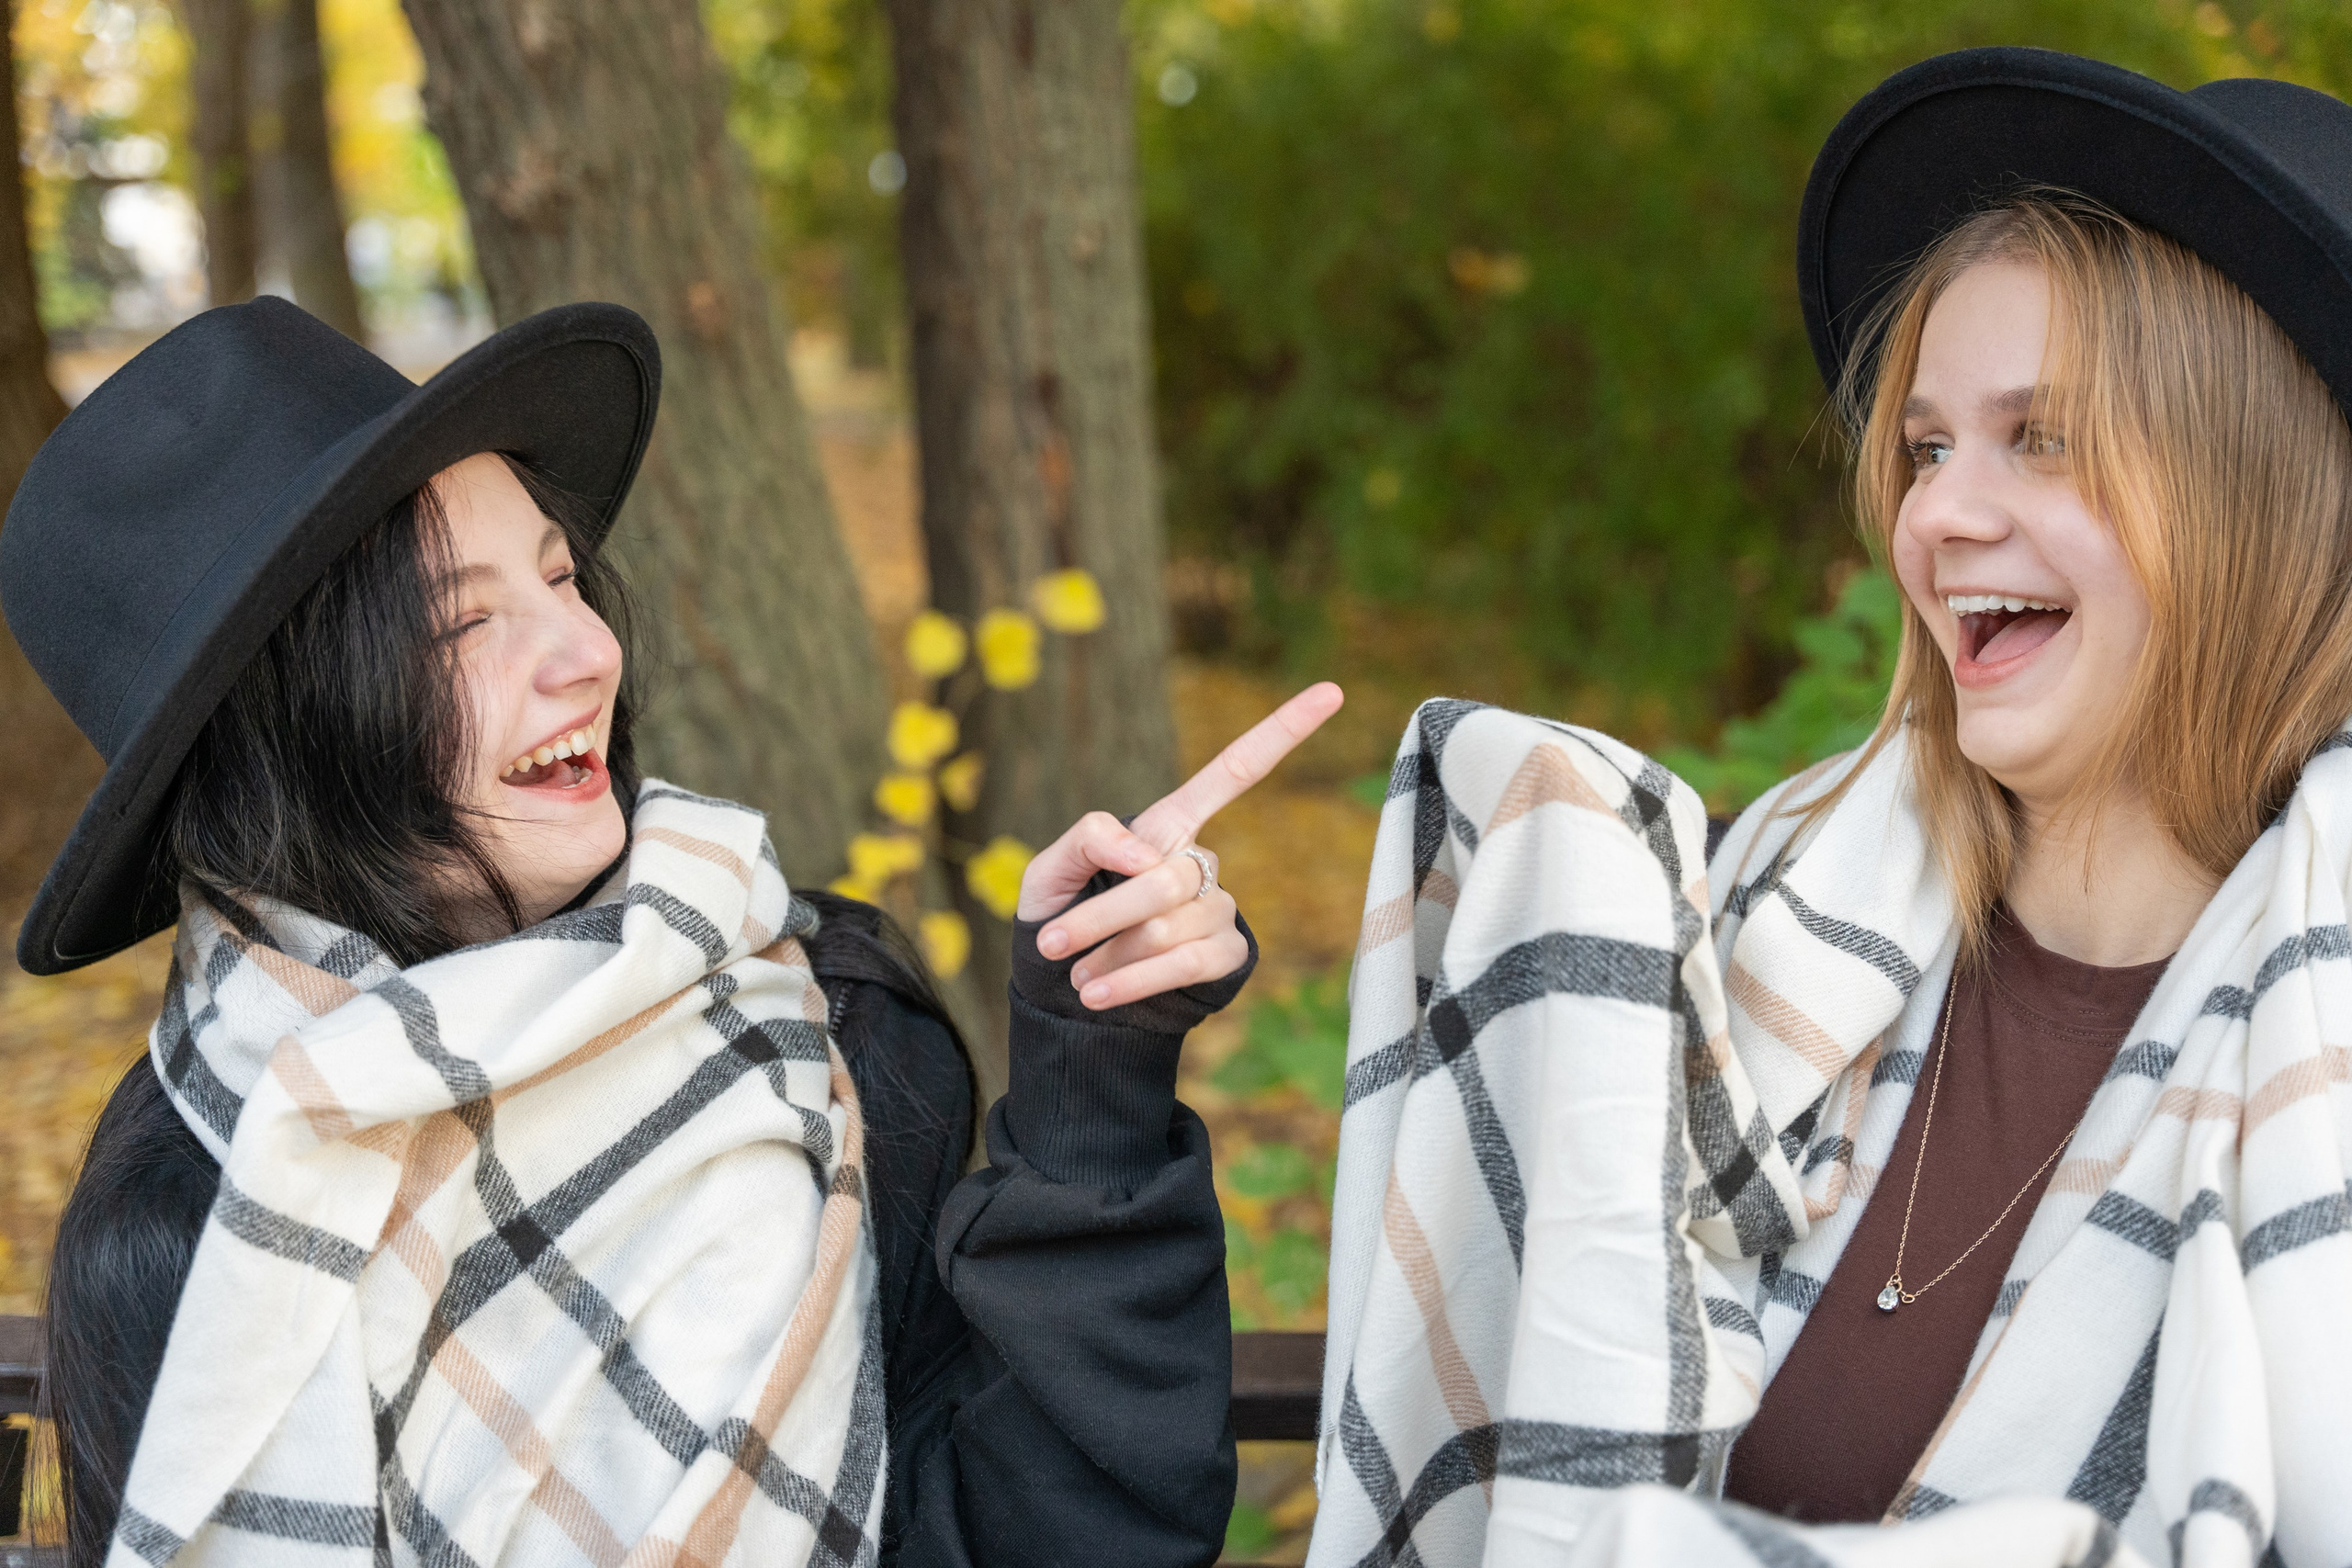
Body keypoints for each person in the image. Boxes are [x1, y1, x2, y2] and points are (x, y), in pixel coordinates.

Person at [0, 298, 1343, 1568]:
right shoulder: (202, 1225)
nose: (586, 651)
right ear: (281, 740)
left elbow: (1047, 1534)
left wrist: (1093, 1069)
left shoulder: (826, 1015)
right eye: (462, 621)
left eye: (560, 574)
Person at [1307, 47, 2352, 1568]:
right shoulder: (1756, 928)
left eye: (2038, 437)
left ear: (2259, 494)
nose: (1935, 513)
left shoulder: (2315, 1044)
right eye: (1927, 446)